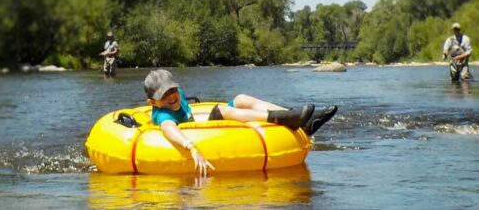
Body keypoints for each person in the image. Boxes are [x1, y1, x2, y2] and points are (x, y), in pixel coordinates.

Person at [143, 69, 338, 176]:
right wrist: (191, 147)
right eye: (164, 95)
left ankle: (296, 117)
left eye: (173, 90)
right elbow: (168, 128)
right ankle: (288, 119)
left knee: (241, 98)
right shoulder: (162, 115)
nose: (172, 96)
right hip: (203, 137)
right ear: (152, 102)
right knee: (222, 111)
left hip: (206, 127)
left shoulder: (178, 95)